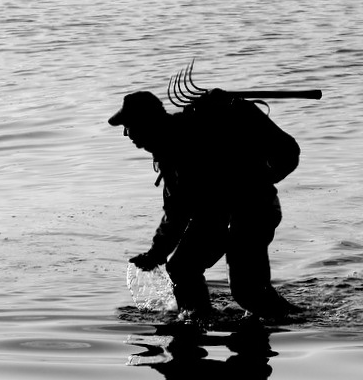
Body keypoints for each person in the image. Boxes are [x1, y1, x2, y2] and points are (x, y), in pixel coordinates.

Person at [109, 89, 301, 321]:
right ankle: (199, 319)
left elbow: (288, 152)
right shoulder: (167, 149)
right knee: (181, 268)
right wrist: (156, 253)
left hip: (253, 210)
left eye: (128, 126)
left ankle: (295, 320)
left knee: (247, 292)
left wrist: (258, 183)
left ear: (147, 123)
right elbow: (177, 212)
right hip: (215, 216)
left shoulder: (193, 132)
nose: (126, 134)